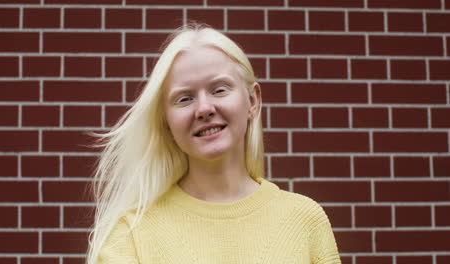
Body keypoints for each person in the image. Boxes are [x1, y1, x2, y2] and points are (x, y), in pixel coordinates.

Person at [87, 23, 341, 264]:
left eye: (219, 90)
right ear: (166, 122)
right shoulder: (130, 233)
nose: (204, 109)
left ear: (252, 101)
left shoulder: (305, 220)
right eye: (184, 98)